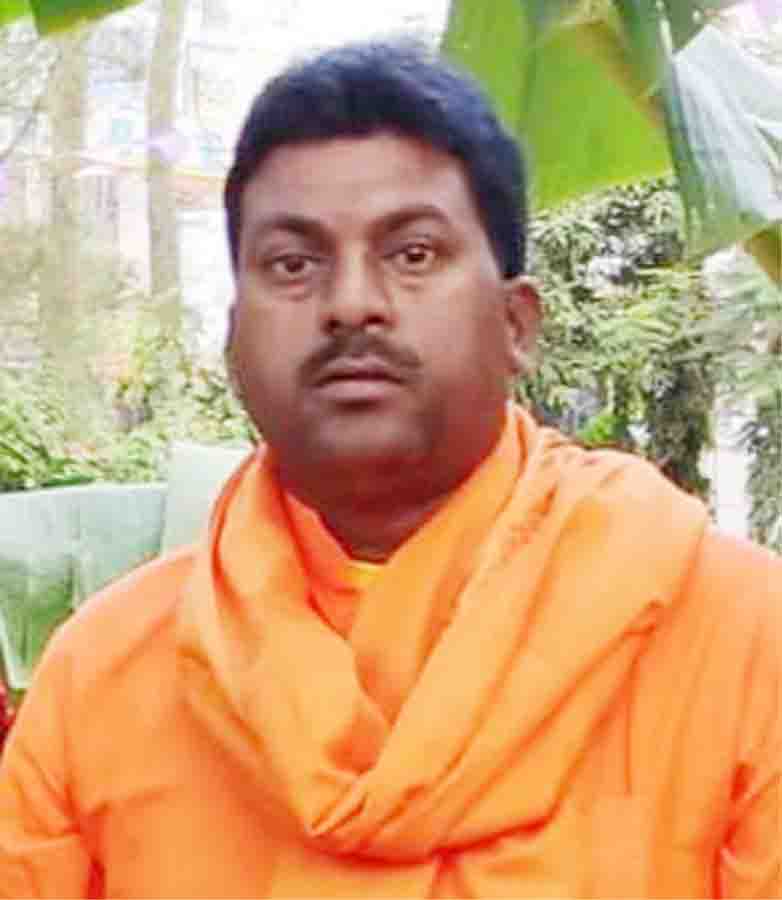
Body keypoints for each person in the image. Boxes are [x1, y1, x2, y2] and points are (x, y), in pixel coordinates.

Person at [0, 41, 778, 899]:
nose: (350, 304)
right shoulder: (101, 677)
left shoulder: (740, 642)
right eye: (293, 264)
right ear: (231, 342)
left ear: (516, 324)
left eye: (412, 254)